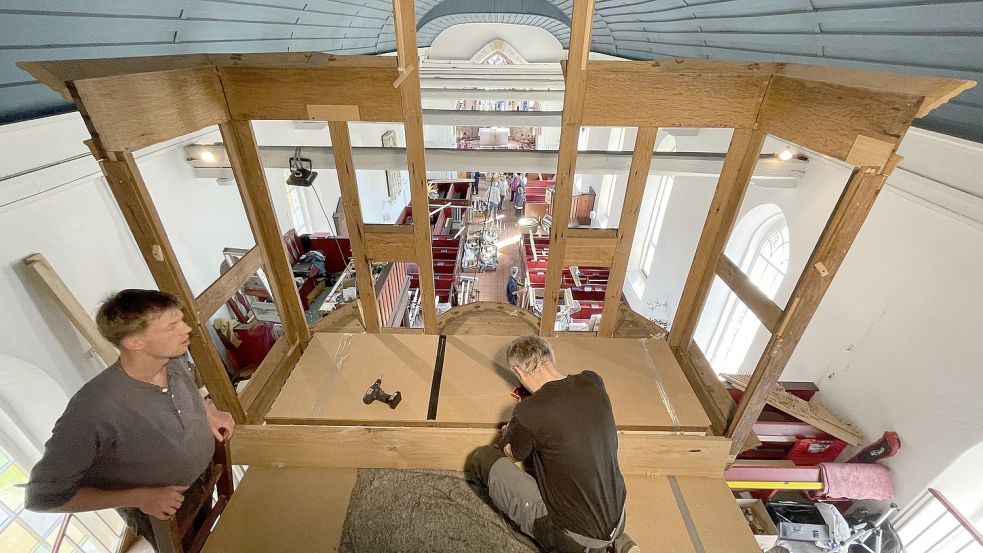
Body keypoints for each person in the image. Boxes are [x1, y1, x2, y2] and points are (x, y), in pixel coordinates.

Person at [25, 289, 236, 550]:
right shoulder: (94, 410)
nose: (187, 329)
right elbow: (42, 498)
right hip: (161, 507)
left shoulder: (173, 357)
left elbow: (184, 389)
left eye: (181, 319)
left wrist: (207, 413)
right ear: (135, 342)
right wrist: (141, 497)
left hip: (201, 479)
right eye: (172, 326)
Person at [467, 336, 638, 553]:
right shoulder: (593, 380)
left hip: (575, 539)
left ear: (519, 373)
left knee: (484, 458)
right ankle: (619, 542)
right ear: (551, 358)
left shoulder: (529, 411)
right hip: (618, 515)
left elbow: (511, 454)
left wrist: (511, 431)